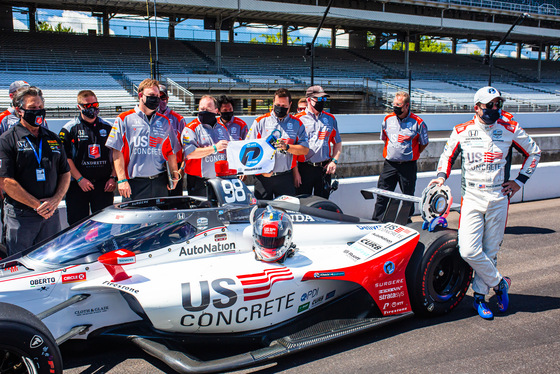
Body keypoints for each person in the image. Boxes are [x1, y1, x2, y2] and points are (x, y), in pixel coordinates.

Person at [430, 86, 541, 319]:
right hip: (472, 196)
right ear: (476, 107)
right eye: (489, 105)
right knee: (468, 249)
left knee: (490, 250)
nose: (494, 109)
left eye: (497, 104)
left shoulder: (510, 128)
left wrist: (519, 181)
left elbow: (534, 153)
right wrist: (441, 176)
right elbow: (446, 155)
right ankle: (500, 283)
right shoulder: (462, 130)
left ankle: (479, 299)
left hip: (499, 197)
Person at [0, 87, 70, 255]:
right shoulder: (7, 139)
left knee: (51, 262)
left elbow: (65, 172)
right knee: (20, 265)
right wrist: (37, 205)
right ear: (19, 110)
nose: (38, 111)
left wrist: (55, 201)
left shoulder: (52, 138)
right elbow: (5, 181)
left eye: (40, 107)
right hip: (21, 216)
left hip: (50, 215)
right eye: (32, 108)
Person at [106, 79, 180, 201]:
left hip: (159, 182)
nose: (156, 99)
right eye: (151, 95)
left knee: (159, 219)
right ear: (141, 95)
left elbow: (171, 152)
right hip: (134, 184)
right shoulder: (124, 119)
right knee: (134, 219)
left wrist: (175, 175)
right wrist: (122, 180)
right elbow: (117, 152)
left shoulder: (164, 121)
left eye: (157, 96)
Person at [59, 90, 116, 225]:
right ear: (79, 107)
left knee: (105, 226)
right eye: (87, 106)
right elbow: (66, 158)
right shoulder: (69, 129)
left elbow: (116, 154)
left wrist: (113, 177)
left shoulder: (108, 127)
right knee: (77, 226)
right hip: (78, 185)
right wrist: (80, 179)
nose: (92, 108)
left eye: (94, 104)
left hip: (104, 185)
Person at [373, 91, 429, 221]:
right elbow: (384, 138)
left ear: (406, 106)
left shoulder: (418, 122)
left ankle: (406, 220)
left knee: (408, 196)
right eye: (394, 104)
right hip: (390, 164)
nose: (395, 107)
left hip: (408, 166)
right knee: (382, 193)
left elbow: (423, 143)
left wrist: (411, 154)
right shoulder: (388, 119)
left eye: (399, 105)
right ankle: (377, 220)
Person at [246, 88, 309, 199]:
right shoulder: (260, 121)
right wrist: (261, 171)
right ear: (273, 104)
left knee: (287, 212)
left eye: (284, 106)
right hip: (263, 178)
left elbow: (304, 149)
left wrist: (287, 147)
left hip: (285, 177)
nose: (280, 108)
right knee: (262, 212)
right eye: (278, 104)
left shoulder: (297, 124)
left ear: (290, 105)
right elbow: (249, 149)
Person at [294, 86, 342, 198]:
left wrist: (334, 161)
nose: (322, 102)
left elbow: (338, 143)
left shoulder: (331, 119)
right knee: (303, 204)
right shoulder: (297, 119)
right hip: (304, 168)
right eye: (319, 99)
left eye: (324, 99)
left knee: (323, 204)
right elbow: (292, 150)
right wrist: (295, 172)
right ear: (309, 100)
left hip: (324, 169)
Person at [182, 95, 232, 197]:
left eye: (208, 109)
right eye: (201, 109)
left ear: (216, 111)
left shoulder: (222, 128)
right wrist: (215, 148)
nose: (204, 111)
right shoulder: (190, 128)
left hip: (220, 181)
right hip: (199, 182)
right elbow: (190, 154)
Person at [157, 84, 187, 196]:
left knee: (175, 201)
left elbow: (186, 147)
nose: (160, 101)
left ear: (167, 99)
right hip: (157, 168)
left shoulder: (178, 119)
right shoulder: (148, 119)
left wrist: (182, 169)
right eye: (157, 98)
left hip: (175, 167)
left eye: (163, 98)